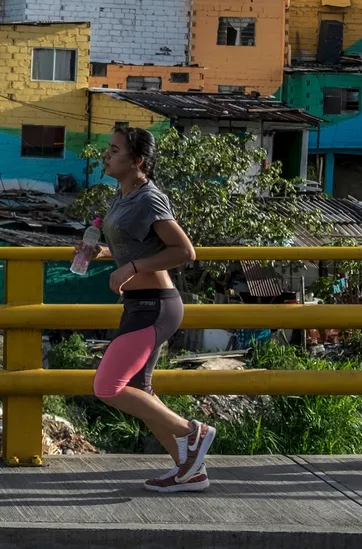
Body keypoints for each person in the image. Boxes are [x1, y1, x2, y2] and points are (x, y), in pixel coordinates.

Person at [81, 127, 216, 493]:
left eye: (114, 150)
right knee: (140, 389)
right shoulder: (123, 195)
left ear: (137, 161)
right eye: (107, 149)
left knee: (107, 386)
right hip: (138, 305)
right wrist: (105, 254)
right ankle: (190, 470)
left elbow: (185, 252)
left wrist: (133, 268)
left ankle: (193, 431)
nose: (106, 156)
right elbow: (138, 247)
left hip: (156, 307)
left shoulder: (149, 199)